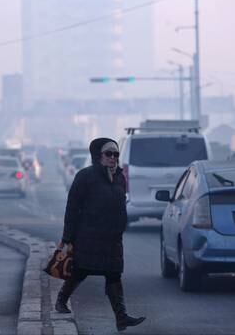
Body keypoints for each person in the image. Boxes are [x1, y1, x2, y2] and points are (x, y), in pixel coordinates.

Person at [55, 137, 145, 332]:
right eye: (108, 154)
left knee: (114, 275)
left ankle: (121, 318)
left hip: (112, 239)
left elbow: (120, 205)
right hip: (88, 236)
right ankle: (61, 300)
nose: (113, 158)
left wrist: (121, 227)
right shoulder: (85, 176)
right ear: (98, 156)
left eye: (116, 154)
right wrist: (67, 238)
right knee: (80, 270)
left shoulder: (120, 177)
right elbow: (72, 208)